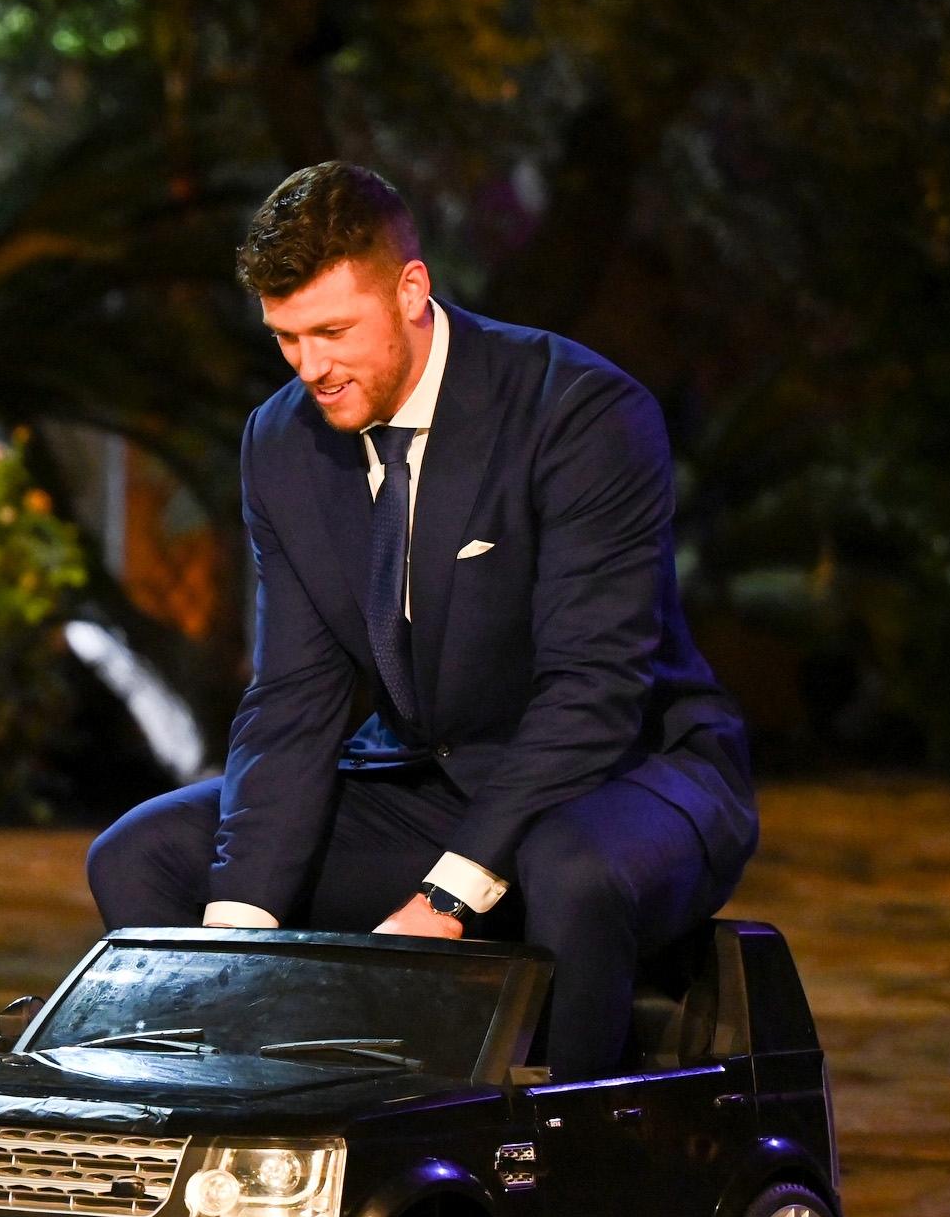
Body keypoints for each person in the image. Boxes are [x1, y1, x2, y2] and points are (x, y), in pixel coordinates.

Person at [85, 162, 757, 1077]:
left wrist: (448, 895)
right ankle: (254, 1107)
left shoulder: (579, 411)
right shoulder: (281, 442)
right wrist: (233, 934)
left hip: (629, 771)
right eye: (286, 338)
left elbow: (593, 692)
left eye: (331, 331)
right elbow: (293, 700)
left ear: (411, 290)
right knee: (145, 855)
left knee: (569, 869)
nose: (311, 368)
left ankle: (557, 1163)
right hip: (427, 779)